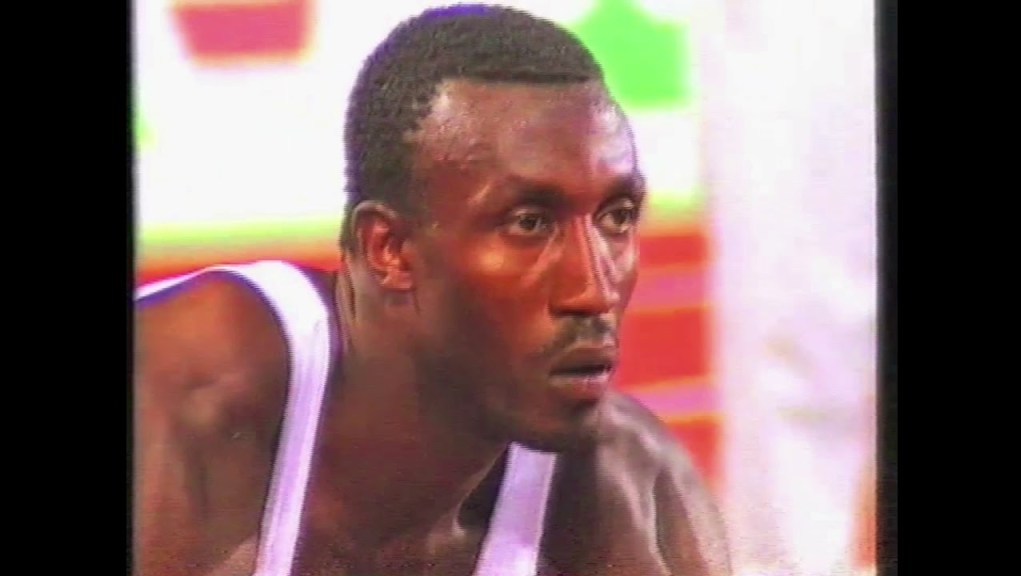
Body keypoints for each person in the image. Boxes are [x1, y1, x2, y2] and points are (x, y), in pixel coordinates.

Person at [134, 4, 731, 576]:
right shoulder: (182, 391)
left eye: (617, 217)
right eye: (529, 224)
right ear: (388, 249)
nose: (594, 291)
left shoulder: (630, 496)